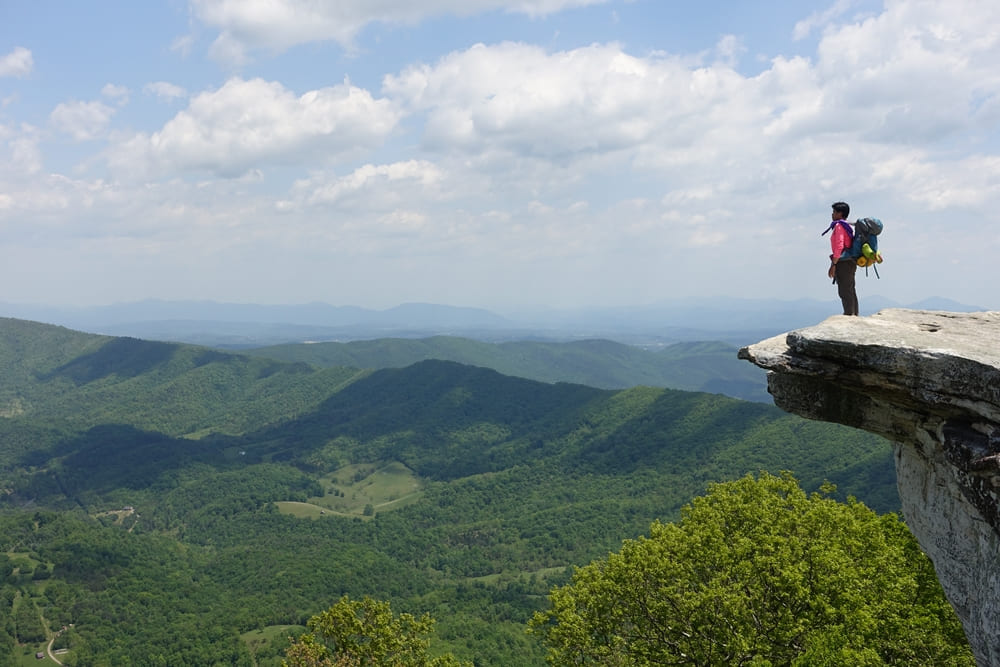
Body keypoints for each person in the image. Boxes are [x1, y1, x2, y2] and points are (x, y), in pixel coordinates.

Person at [826, 201, 859, 316]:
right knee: (850, 289)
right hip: (850, 261)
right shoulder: (847, 225)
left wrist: (833, 265)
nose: (832, 214)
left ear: (840, 214)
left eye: (834, 212)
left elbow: (839, 246)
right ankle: (854, 314)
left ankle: (849, 315)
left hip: (843, 262)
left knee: (845, 290)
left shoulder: (839, 226)